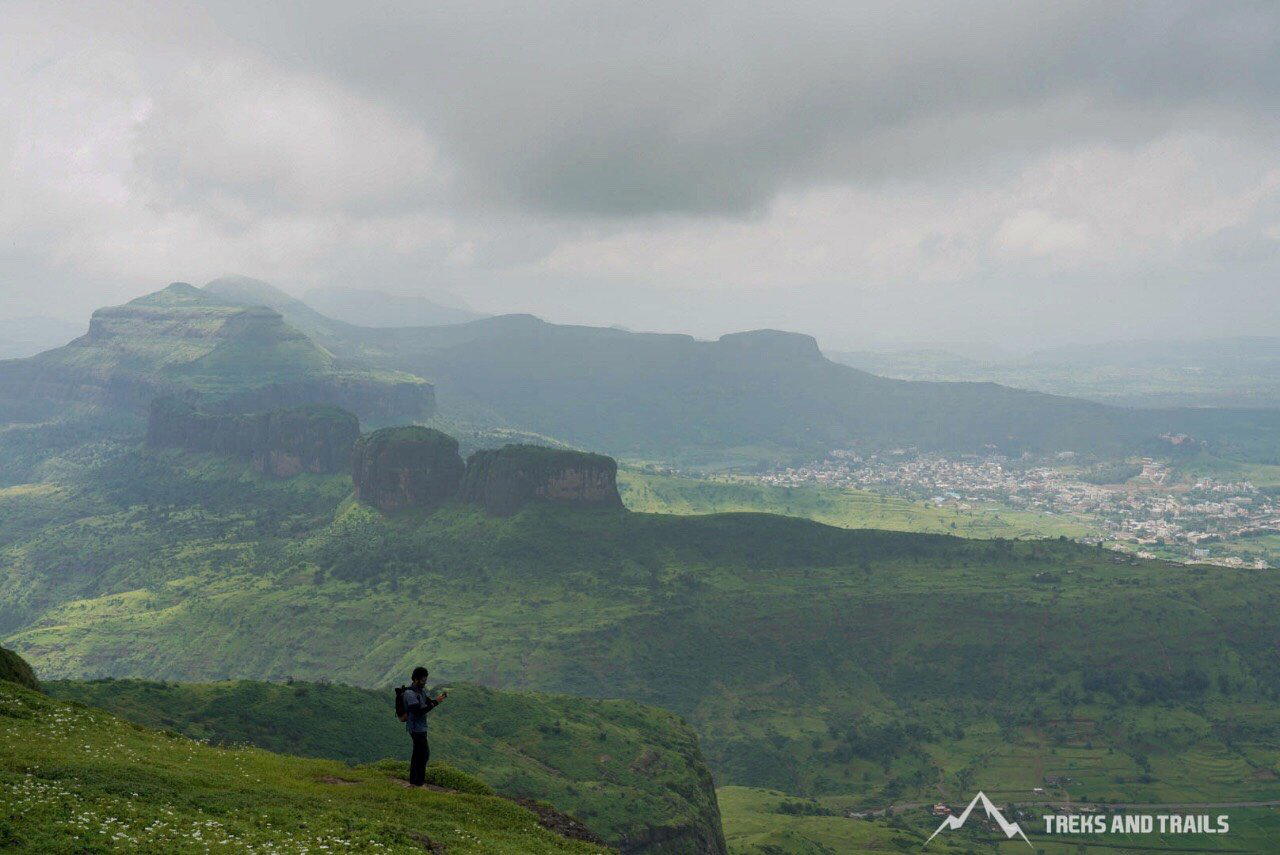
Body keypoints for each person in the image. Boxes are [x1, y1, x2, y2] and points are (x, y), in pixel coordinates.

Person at [404, 666, 447, 786]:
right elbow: (418, 712)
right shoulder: (410, 693)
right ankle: (417, 782)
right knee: (422, 754)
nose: (425, 682)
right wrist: (435, 702)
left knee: (419, 754)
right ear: (416, 679)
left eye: (425, 680)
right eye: (423, 680)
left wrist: (437, 700)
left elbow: (428, 703)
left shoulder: (420, 692)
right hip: (415, 728)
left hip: (421, 728)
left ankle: (415, 782)